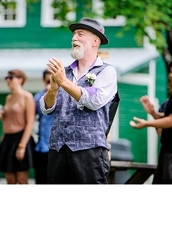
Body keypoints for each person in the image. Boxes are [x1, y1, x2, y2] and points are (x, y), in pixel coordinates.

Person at [41, 17, 117, 184]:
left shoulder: (107, 72)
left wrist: (63, 82)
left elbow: (93, 101)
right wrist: (53, 90)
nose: (74, 38)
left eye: (80, 34)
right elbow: (46, 108)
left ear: (95, 41)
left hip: (89, 151)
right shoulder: (64, 72)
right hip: (58, 149)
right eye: (74, 34)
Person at [0, 70, 35, 184]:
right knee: (9, 179)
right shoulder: (8, 98)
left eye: (11, 77)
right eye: (7, 77)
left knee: (21, 179)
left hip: (20, 139)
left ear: (20, 79)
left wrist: (22, 146)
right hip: (7, 139)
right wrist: (1, 116)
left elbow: (30, 123)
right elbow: (7, 121)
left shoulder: (27, 96)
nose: (8, 80)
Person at [33, 70, 56, 184]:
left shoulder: (63, 96)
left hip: (56, 147)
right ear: (43, 80)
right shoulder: (37, 97)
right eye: (48, 81)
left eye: (53, 81)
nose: (50, 83)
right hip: (41, 145)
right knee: (40, 179)